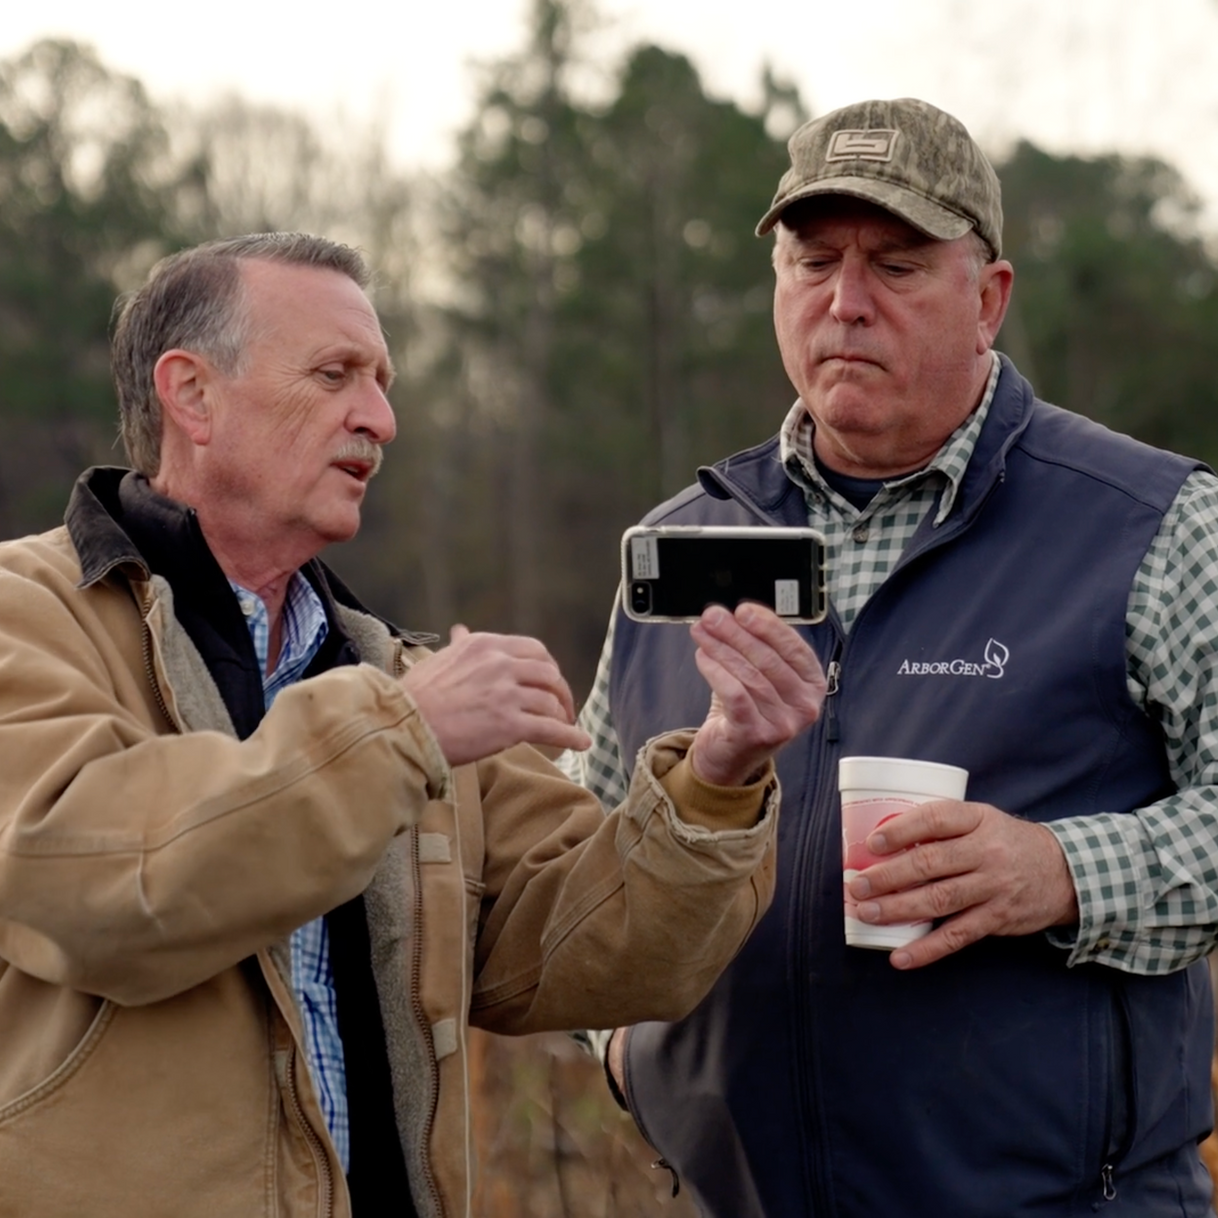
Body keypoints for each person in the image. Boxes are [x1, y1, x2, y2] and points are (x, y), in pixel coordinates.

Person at [0, 233, 828, 1218]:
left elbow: (594, 953)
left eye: (384, 382)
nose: (382, 419)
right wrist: (403, 730)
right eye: (336, 373)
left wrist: (720, 777)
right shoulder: (28, 613)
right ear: (193, 395)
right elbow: (98, 885)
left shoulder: (393, 676)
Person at [566, 97, 1218, 1216]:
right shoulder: (686, 546)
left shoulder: (1155, 524)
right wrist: (627, 1051)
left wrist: (1059, 872)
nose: (845, 302)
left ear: (990, 299)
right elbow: (576, 856)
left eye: (898, 266)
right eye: (812, 260)